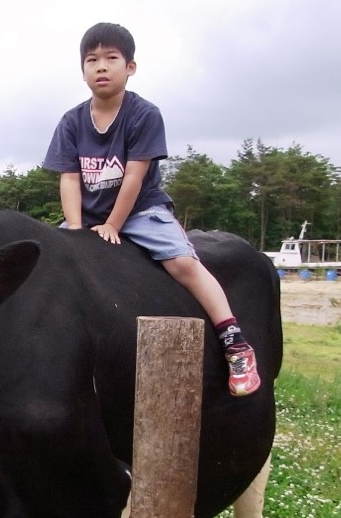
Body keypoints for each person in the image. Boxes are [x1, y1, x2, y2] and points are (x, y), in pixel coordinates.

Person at [43, 22, 261, 397]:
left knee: (183, 264)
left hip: (142, 210)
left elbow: (134, 178)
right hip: (88, 214)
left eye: (111, 58)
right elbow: (69, 180)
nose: (101, 67)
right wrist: (76, 229)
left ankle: (234, 341)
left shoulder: (143, 114)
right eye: (92, 60)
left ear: (130, 67)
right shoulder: (71, 121)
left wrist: (114, 224)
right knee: (48, 263)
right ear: (82, 71)